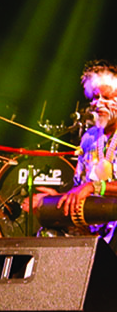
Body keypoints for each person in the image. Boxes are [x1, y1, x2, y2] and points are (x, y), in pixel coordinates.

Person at [34, 62, 117, 240]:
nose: (98, 104)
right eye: (95, 98)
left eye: (107, 98)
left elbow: (91, 186)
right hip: (92, 232)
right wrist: (60, 199)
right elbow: (82, 186)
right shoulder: (89, 138)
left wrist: (94, 186)